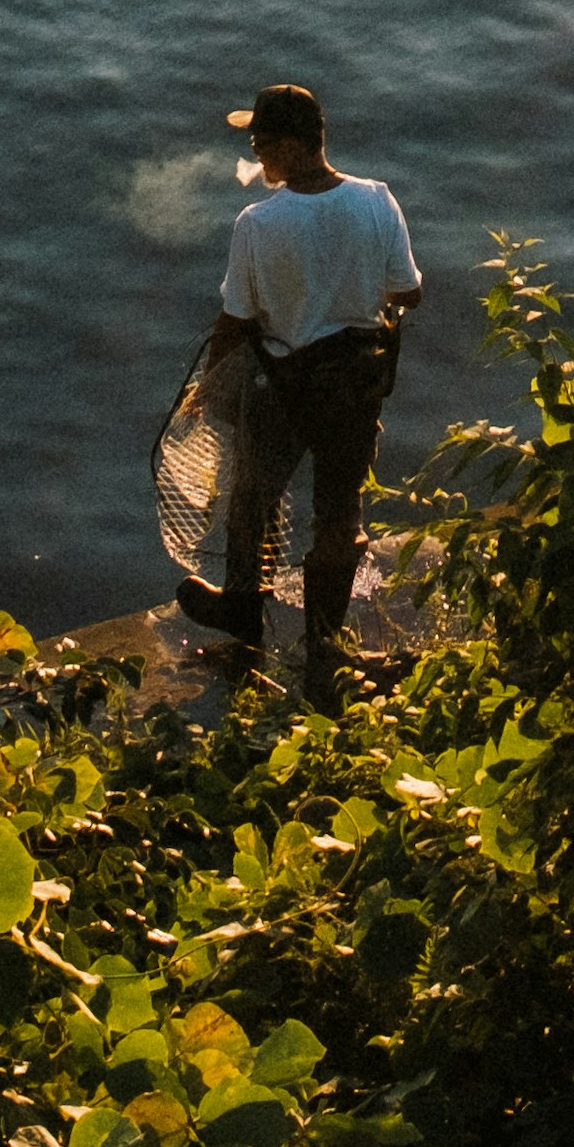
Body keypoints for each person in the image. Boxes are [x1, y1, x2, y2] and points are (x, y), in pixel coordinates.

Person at [185, 82, 423, 695]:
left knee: (252, 499)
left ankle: (243, 608)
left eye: (263, 141)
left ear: (292, 146)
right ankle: (323, 644)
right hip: (356, 388)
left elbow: (235, 319)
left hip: (285, 388)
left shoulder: (259, 223)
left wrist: (211, 387)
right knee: (339, 517)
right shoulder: (377, 200)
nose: (257, 153)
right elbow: (408, 291)